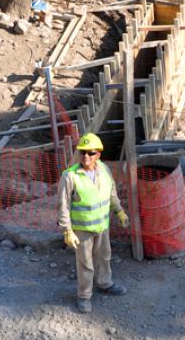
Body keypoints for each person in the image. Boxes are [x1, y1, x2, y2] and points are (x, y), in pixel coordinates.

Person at [57, 133, 129, 313]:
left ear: (98, 155)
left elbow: (112, 192)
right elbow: (62, 205)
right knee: (85, 264)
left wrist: (119, 210)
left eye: (91, 153)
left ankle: (105, 283)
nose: (86, 157)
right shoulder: (70, 176)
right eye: (83, 152)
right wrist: (67, 231)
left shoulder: (104, 169)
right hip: (82, 230)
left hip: (102, 227)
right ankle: (84, 296)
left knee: (104, 257)